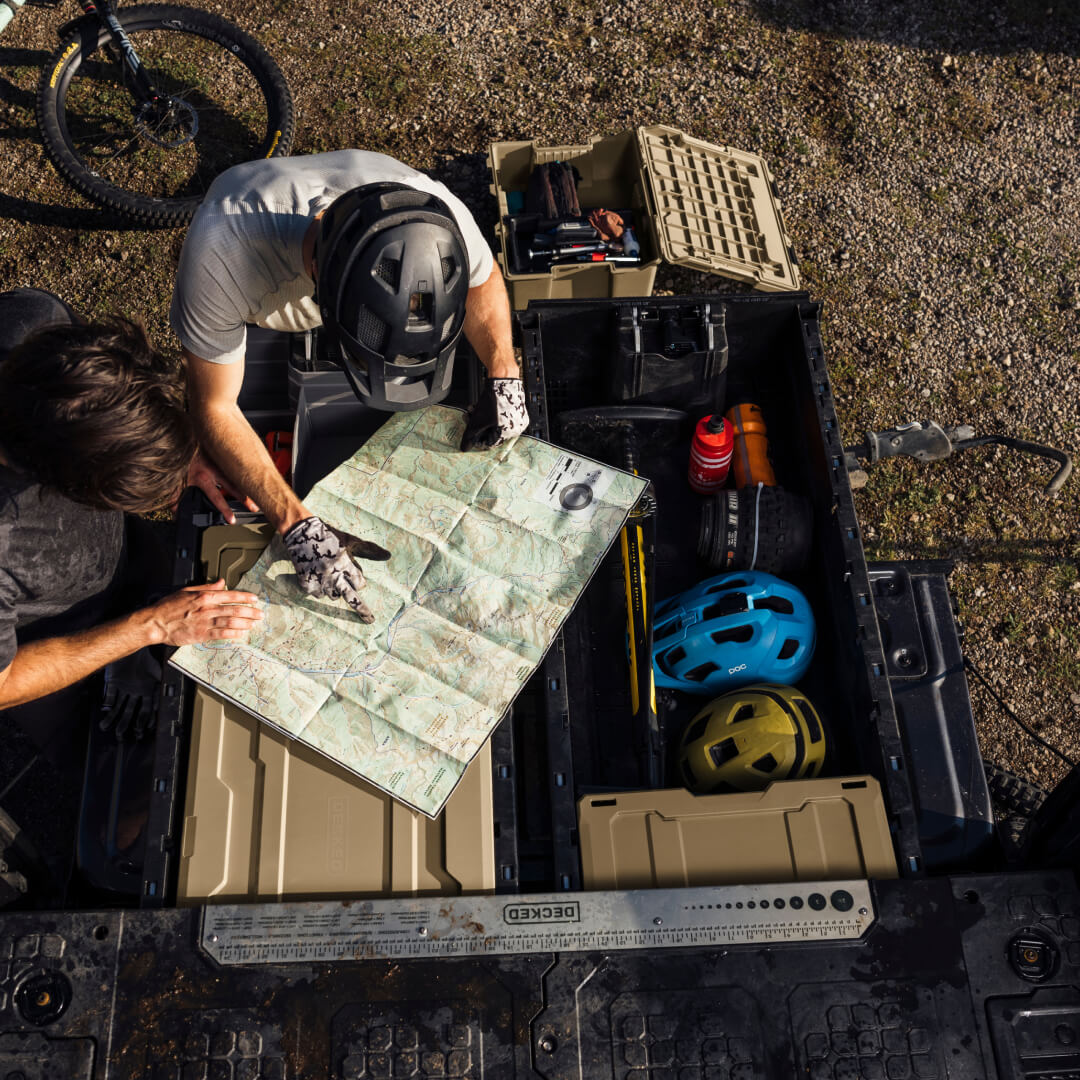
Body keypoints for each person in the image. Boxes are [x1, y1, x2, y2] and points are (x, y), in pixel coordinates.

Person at [170, 150, 531, 623]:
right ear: (319, 292)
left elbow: (482, 282)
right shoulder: (221, 258)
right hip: (254, 251)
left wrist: (504, 373)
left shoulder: (438, 224)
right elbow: (215, 406)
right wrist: (295, 524)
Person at [0, 289, 265, 739]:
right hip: (50, 637)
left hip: (121, 556)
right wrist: (151, 626)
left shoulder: (34, 324)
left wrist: (171, 451)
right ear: (67, 485)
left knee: (149, 574)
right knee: (95, 739)